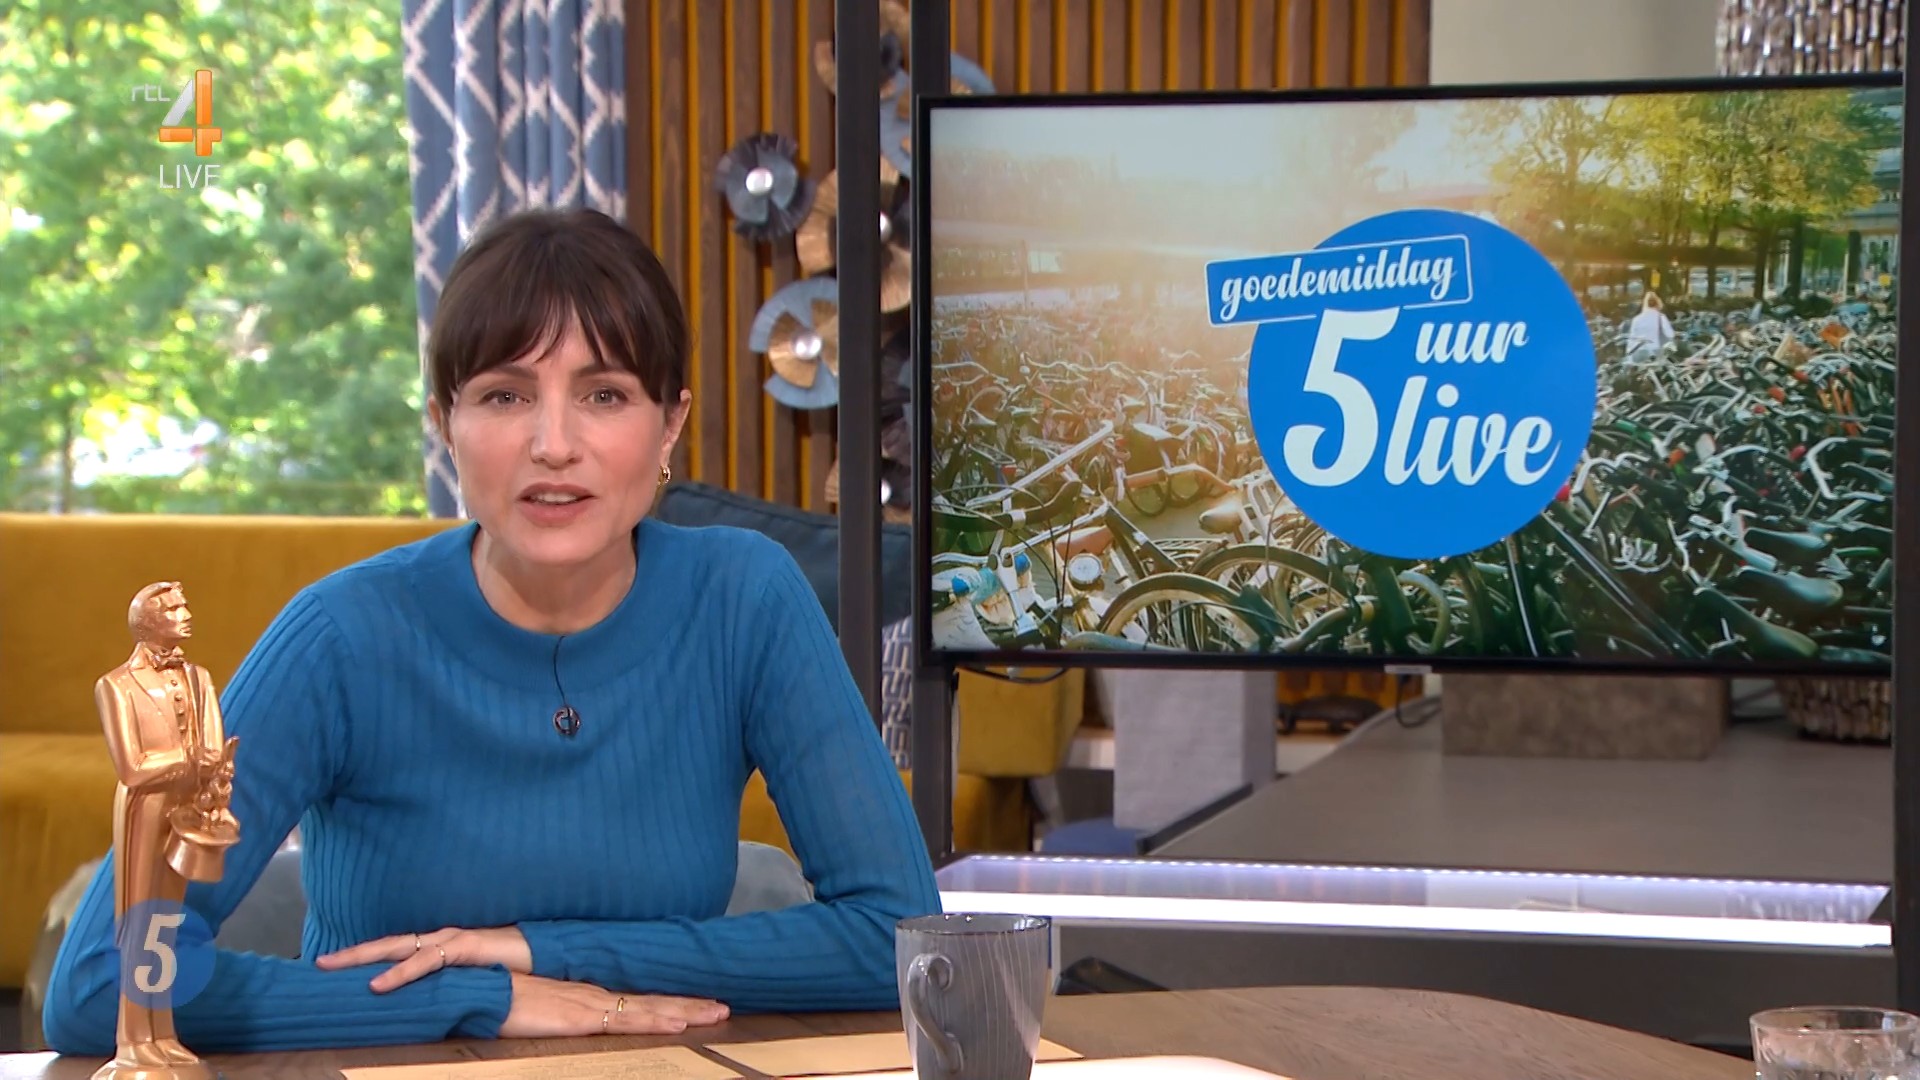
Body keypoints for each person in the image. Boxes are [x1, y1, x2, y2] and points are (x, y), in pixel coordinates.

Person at [42, 208, 943, 1054]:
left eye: (604, 394)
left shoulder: (745, 600)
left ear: (670, 423)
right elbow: (100, 982)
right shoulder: (339, 637)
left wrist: (546, 954)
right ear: (445, 423)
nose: (554, 444)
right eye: (506, 396)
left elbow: (901, 941)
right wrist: (477, 998)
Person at [92, 582, 239, 1076]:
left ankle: (163, 1033)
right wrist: (189, 761)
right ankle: (132, 1039)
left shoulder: (199, 678)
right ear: (147, 621)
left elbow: (214, 747)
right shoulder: (116, 686)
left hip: (188, 808)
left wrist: (211, 774)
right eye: (174, 608)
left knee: (166, 923)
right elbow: (132, 768)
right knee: (138, 919)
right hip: (145, 809)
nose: (186, 614)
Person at [1626, 290, 1675, 359]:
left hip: (1639, 351)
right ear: (1658, 303)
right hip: (1655, 350)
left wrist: (1629, 355)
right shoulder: (1661, 317)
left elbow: (1632, 337)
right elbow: (1670, 334)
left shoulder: (1637, 319)